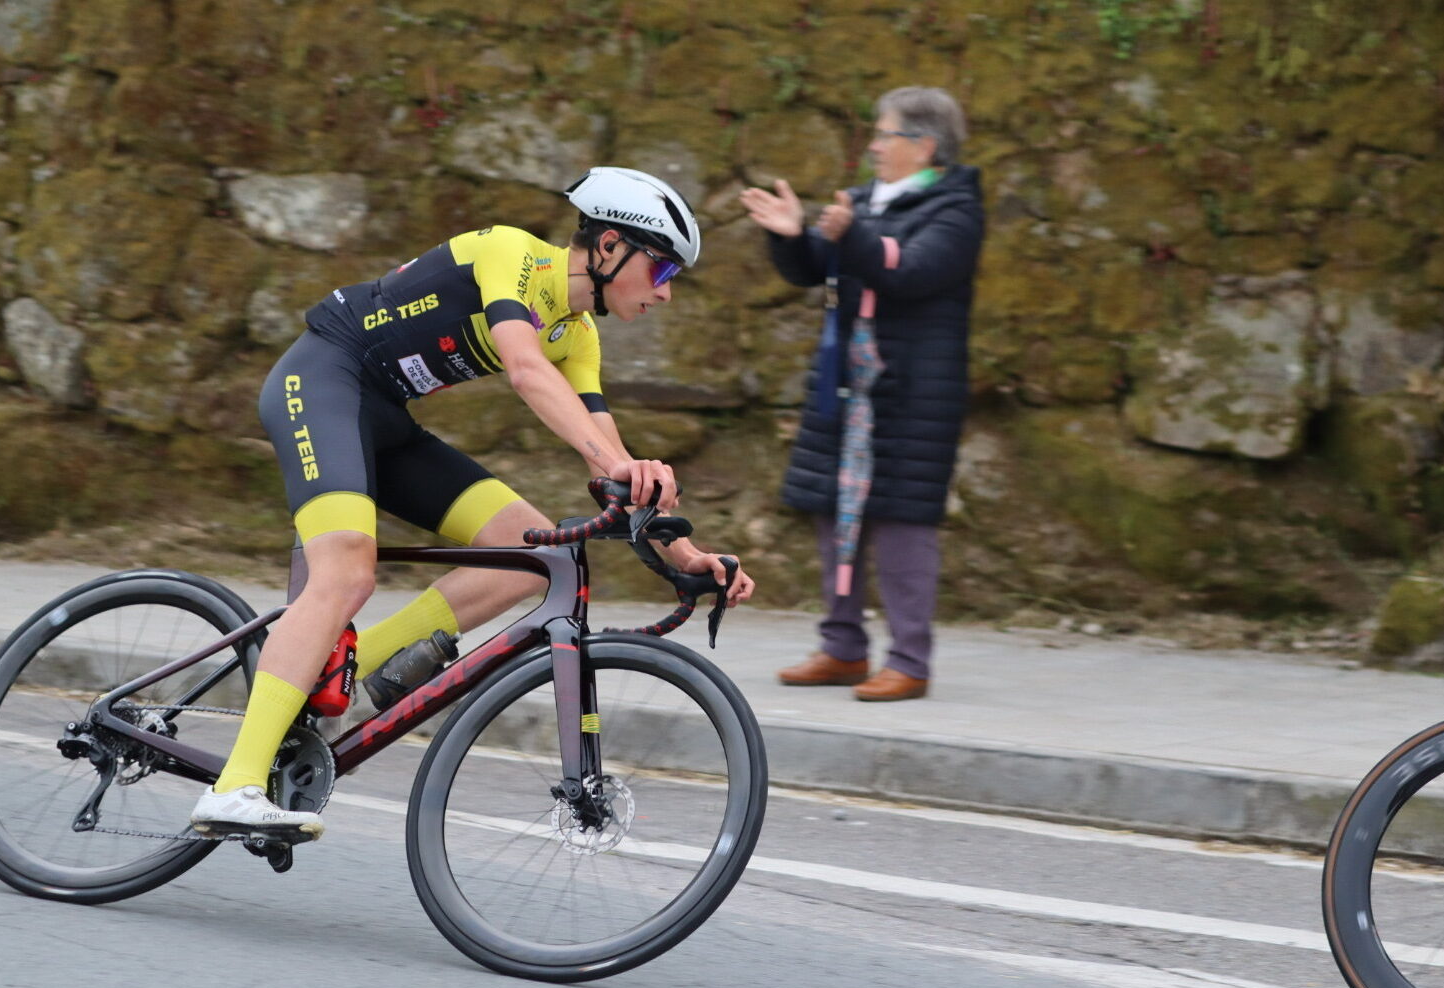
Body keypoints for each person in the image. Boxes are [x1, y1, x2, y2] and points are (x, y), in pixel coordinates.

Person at [190, 167, 755, 839]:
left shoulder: (578, 336)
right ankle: (234, 785)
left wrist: (688, 554)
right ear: (608, 246)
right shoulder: (512, 254)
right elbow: (524, 368)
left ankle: (340, 671)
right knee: (346, 571)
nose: (665, 292)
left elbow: (608, 455)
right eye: (661, 270)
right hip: (320, 383)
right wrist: (619, 464)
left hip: (384, 417)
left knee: (529, 554)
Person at [739, 86, 983, 703]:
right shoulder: (868, 202)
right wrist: (794, 236)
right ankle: (843, 648)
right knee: (832, 509)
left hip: (911, 394)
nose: (873, 145)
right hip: (847, 386)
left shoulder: (956, 209)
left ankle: (909, 660)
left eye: (884, 133)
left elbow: (908, 269)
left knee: (903, 522)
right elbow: (818, 265)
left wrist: (849, 236)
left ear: (923, 145)